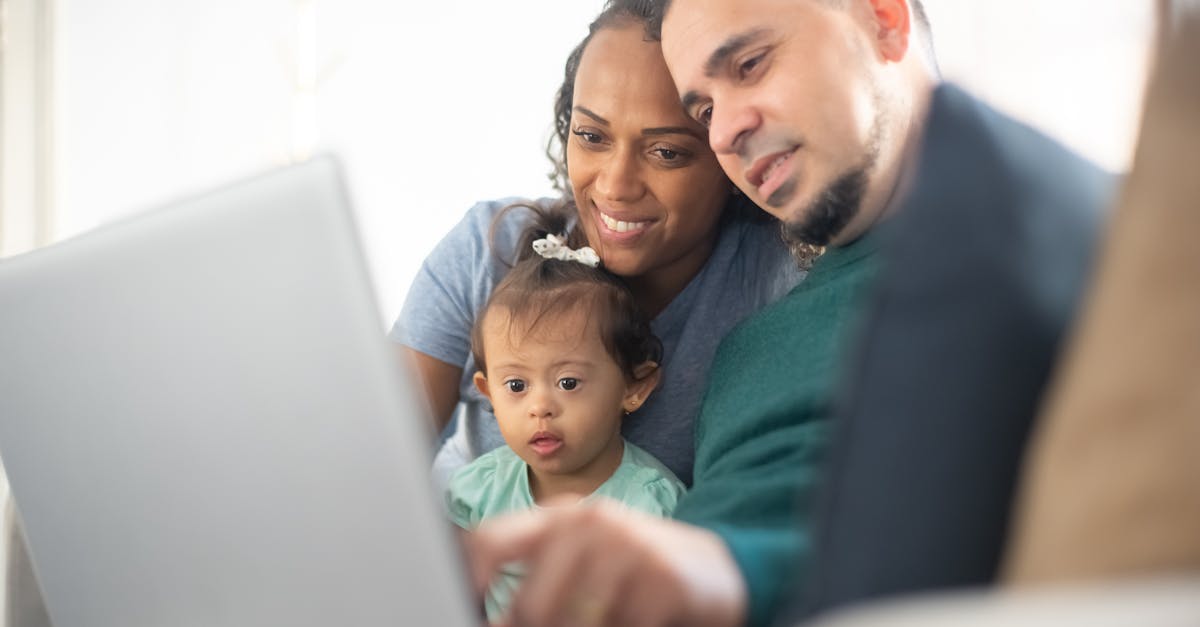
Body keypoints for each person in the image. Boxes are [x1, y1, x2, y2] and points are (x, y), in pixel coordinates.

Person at [467, 1, 941, 626]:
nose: (725, 135)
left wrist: (712, 570)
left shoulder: (990, 256)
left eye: (751, 63)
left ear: (881, 15)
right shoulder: (757, 346)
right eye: (707, 111)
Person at [391, 0, 803, 490]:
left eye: (666, 152)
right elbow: (371, 460)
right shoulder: (485, 251)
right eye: (591, 136)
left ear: (731, 152)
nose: (615, 186)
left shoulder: (783, 281)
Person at [446, 207, 686, 621]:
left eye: (568, 382)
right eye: (516, 386)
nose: (540, 407)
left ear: (634, 387)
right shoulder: (477, 490)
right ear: (489, 393)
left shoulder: (651, 503)